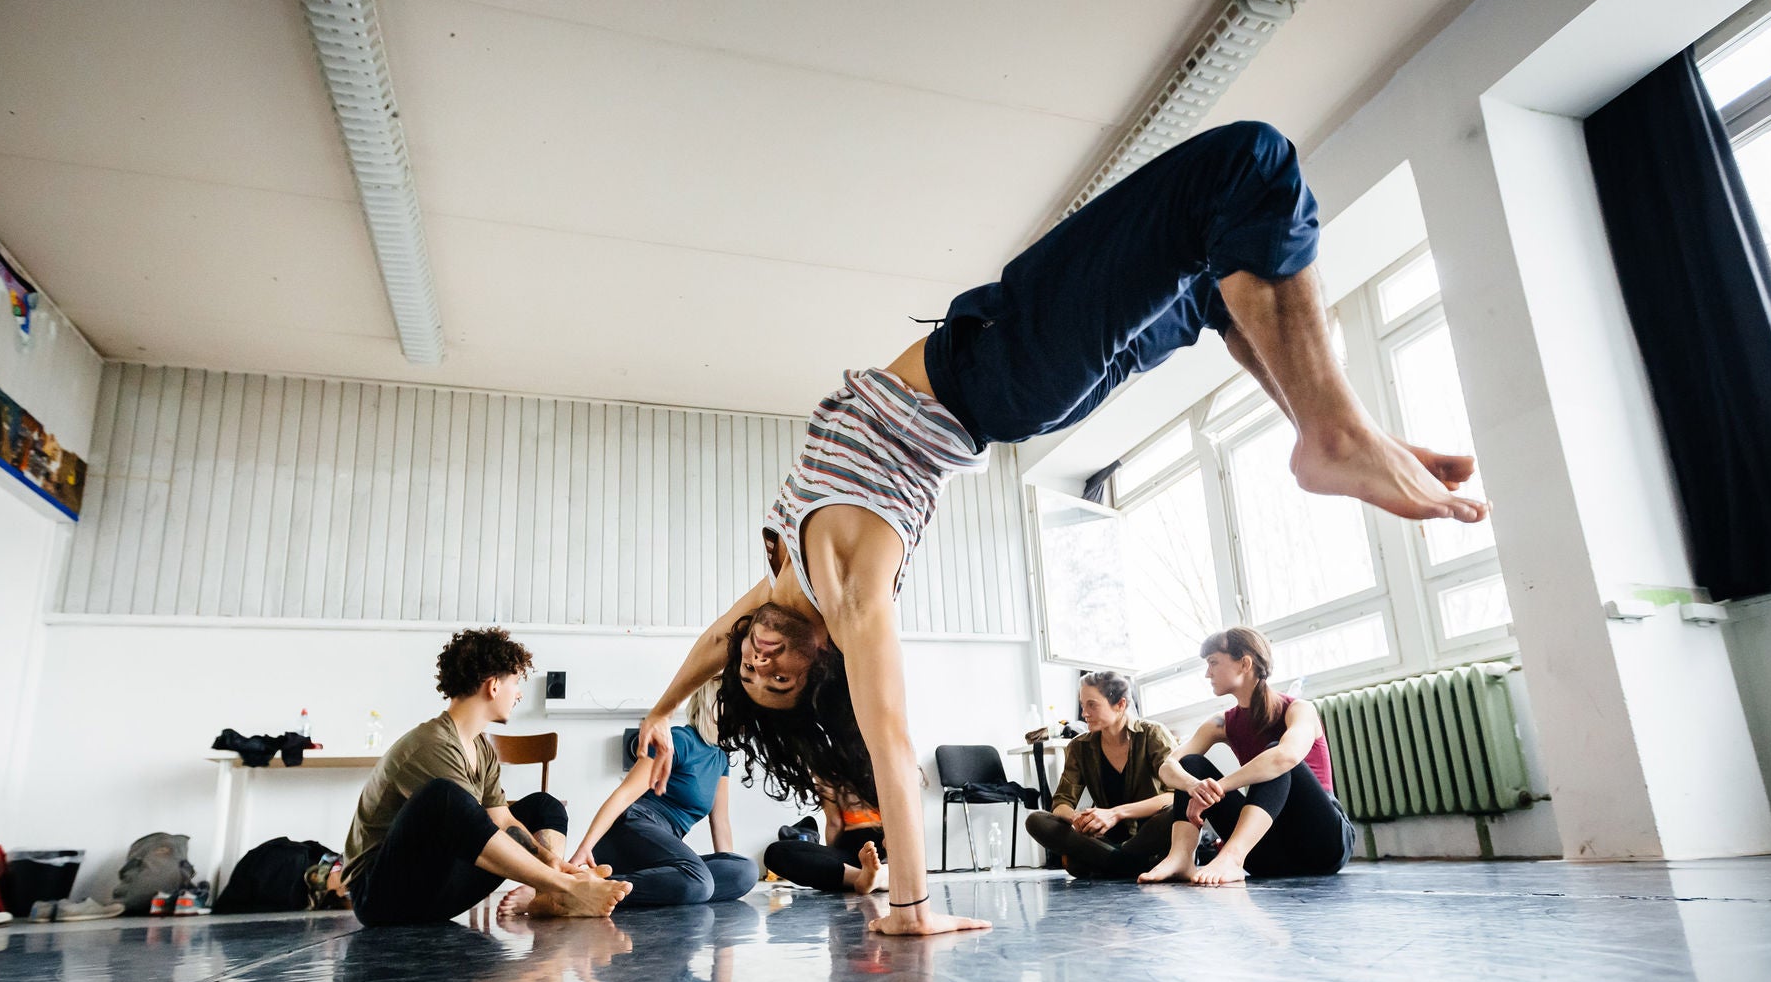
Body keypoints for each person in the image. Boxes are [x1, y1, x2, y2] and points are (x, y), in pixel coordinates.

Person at [634, 120, 1485, 937]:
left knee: (1209, 293)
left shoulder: (781, 585)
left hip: (1023, 385)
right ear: (821, 661)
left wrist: (663, 708)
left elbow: (719, 637)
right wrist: (908, 899)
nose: (758, 658)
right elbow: (891, 739)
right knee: (1248, 167)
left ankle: (1324, 423)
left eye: (754, 663)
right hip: (1002, 368)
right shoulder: (848, 586)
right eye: (779, 676)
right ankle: (1333, 433)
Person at [342, 627, 631, 926]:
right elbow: (469, 827)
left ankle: (548, 892)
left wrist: (551, 862)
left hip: (433, 893)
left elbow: (502, 822)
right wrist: (570, 883)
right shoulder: (431, 745)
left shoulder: (482, 748)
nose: (519, 693)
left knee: (545, 805)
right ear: (493, 686)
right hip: (381, 898)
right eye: (516, 683)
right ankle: (565, 891)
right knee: (445, 797)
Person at [508, 681, 757, 912]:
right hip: (633, 829)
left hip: (660, 853)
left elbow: (721, 821)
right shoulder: (679, 741)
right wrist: (586, 846)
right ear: (714, 705)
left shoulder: (721, 757)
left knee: (744, 871)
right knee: (698, 882)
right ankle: (569, 889)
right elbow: (624, 794)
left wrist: (728, 864)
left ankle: (594, 888)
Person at [1136, 628, 1356, 886]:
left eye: (1213, 662)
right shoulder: (1221, 723)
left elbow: (1284, 757)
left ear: (1245, 663)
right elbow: (1168, 766)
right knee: (1191, 765)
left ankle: (1232, 857)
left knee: (1276, 754)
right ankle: (1181, 857)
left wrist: (1217, 788)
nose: (1208, 673)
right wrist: (1196, 787)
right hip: (1270, 853)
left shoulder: (1299, 709)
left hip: (1323, 844)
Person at [1024, 670, 1180, 879]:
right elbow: (1061, 802)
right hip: (1106, 840)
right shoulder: (1079, 746)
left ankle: (1110, 862)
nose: (1084, 713)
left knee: (1177, 810)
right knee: (1036, 820)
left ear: (1120, 705)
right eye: (1082, 705)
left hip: (1149, 836)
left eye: (1092, 705)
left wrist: (1115, 813)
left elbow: (1175, 794)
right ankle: (1126, 863)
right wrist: (1078, 818)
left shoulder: (1153, 734)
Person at [764, 785, 886, 893]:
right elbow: (834, 823)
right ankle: (868, 878)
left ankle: (872, 877)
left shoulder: (828, 772)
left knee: (775, 853)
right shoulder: (828, 771)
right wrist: (830, 862)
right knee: (776, 852)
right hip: (869, 851)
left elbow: (835, 824)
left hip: (876, 846)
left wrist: (828, 863)